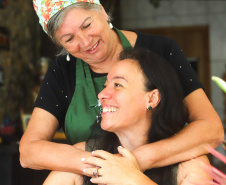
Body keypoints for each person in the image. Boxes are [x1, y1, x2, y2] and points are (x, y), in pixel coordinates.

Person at [19, 0, 224, 176]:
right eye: (69, 39)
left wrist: (134, 162)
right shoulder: (62, 70)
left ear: (102, 12)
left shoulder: (161, 50)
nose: (85, 41)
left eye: (87, 25)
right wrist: (101, 167)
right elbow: (29, 152)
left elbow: (212, 129)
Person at [43, 49, 212, 185]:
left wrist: (131, 178)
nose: (101, 94)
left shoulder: (191, 166)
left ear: (152, 98)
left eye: (117, 85)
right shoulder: (81, 156)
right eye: (105, 85)